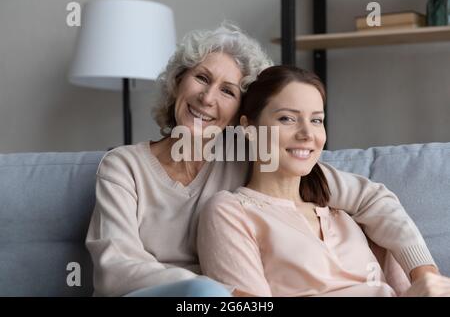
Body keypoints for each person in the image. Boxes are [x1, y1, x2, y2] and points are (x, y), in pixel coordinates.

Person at [85, 23, 438, 297]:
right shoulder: (123, 166)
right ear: (178, 83)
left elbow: (368, 198)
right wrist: (219, 286)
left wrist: (424, 274)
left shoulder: (247, 156)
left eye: (228, 91)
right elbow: (114, 267)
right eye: (201, 79)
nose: (208, 98)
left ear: (242, 113)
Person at [197, 65, 450, 297]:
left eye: (316, 120)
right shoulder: (230, 212)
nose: (307, 134)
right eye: (287, 118)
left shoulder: (347, 214)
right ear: (248, 128)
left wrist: (425, 277)